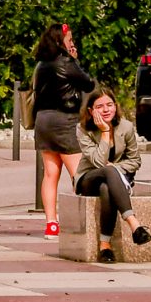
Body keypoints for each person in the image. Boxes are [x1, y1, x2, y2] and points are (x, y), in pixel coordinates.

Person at [74, 86, 151, 262]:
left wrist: (116, 167)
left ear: (115, 106)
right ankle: (134, 224)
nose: (106, 110)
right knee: (107, 172)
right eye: (99, 106)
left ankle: (105, 247)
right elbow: (97, 162)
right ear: (90, 110)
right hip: (88, 178)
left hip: (113, 181)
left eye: (109, 105)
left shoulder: (126, 127)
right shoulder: (83, 129)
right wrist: (104, 132)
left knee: (106, 188)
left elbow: (135, 161)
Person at [33, 22, 95, 239]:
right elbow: (88, 84)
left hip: (43, 119)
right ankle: (83, 220)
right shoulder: (67, 62)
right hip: (64, 119)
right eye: (69, 39)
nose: (72, 42)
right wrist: (75, 60)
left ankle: (51, 223)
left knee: (50, 174)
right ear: (60, 41)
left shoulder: (41, 64)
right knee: (78, 172)